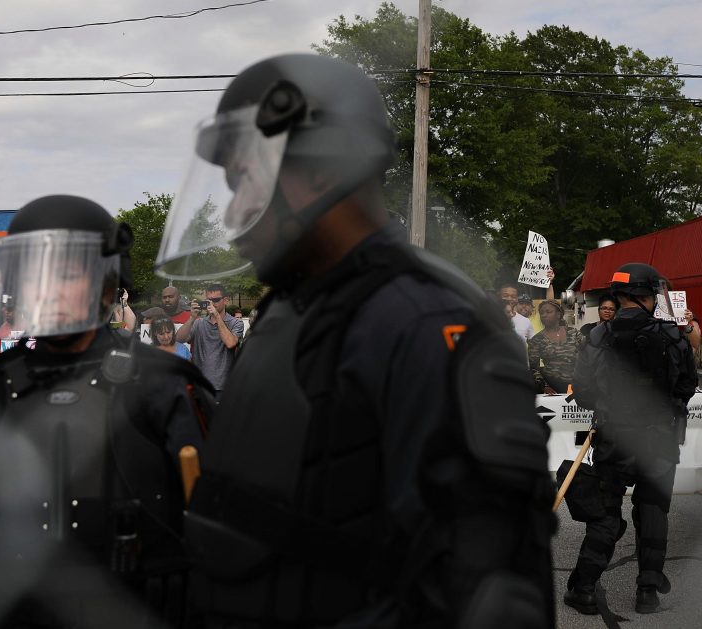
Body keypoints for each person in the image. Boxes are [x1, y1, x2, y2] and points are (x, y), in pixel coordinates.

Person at [154, 53, 554, 627]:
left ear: (322, 170)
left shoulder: (422, 321)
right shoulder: (296, 304)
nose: (236, 209)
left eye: (247, 177)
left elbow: (493, 592)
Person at [0, 195, 214, 629]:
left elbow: (223, 544)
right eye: (34, 273)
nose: (50, 287)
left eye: (69, 272)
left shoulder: (165, 386)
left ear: (108, 285)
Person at [567, 263, 697, 615]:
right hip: (658, 438)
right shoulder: (671, 335)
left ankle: (584, 589)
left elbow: (582, 390)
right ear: (648, 295)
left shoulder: (598, 335)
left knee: (607, 513)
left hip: (614, 439)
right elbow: (688, 385)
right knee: (653, 509)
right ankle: (647, 592)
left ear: (620, 295)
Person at [174, 285, 243, 398]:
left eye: (215, 300)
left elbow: (231, 343)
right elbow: (179, 339)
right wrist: (192, 318)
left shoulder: (235, 323)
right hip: (199, 385)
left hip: (223, 387)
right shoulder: (198, 323)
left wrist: (216, 316)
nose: (211, 303)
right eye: (208, 300)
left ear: (225, 300)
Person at [528, 299, 583, 394]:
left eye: (548, 312)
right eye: (541, 313)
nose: (544, 315)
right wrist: (544, 386)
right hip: (552, 388)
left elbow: (587, 356)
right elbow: (533, 367)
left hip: (577, 386)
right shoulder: (536, 340)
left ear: (558, 314)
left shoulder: (574, 333)